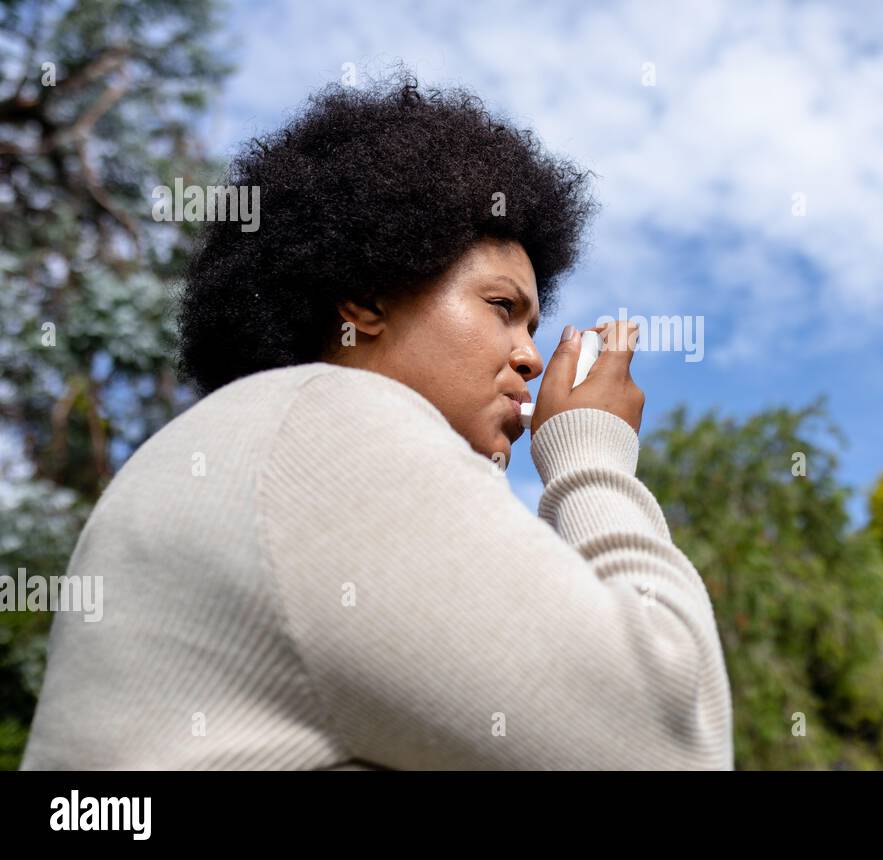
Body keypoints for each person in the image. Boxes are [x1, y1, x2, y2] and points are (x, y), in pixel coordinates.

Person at [19, 77, 734, 770]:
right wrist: (593, 458)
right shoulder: (328, 424)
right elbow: (672, 740)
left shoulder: (254, 438)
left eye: (534, 325)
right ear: (365, 298)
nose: (530, 358)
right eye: (501, 308)